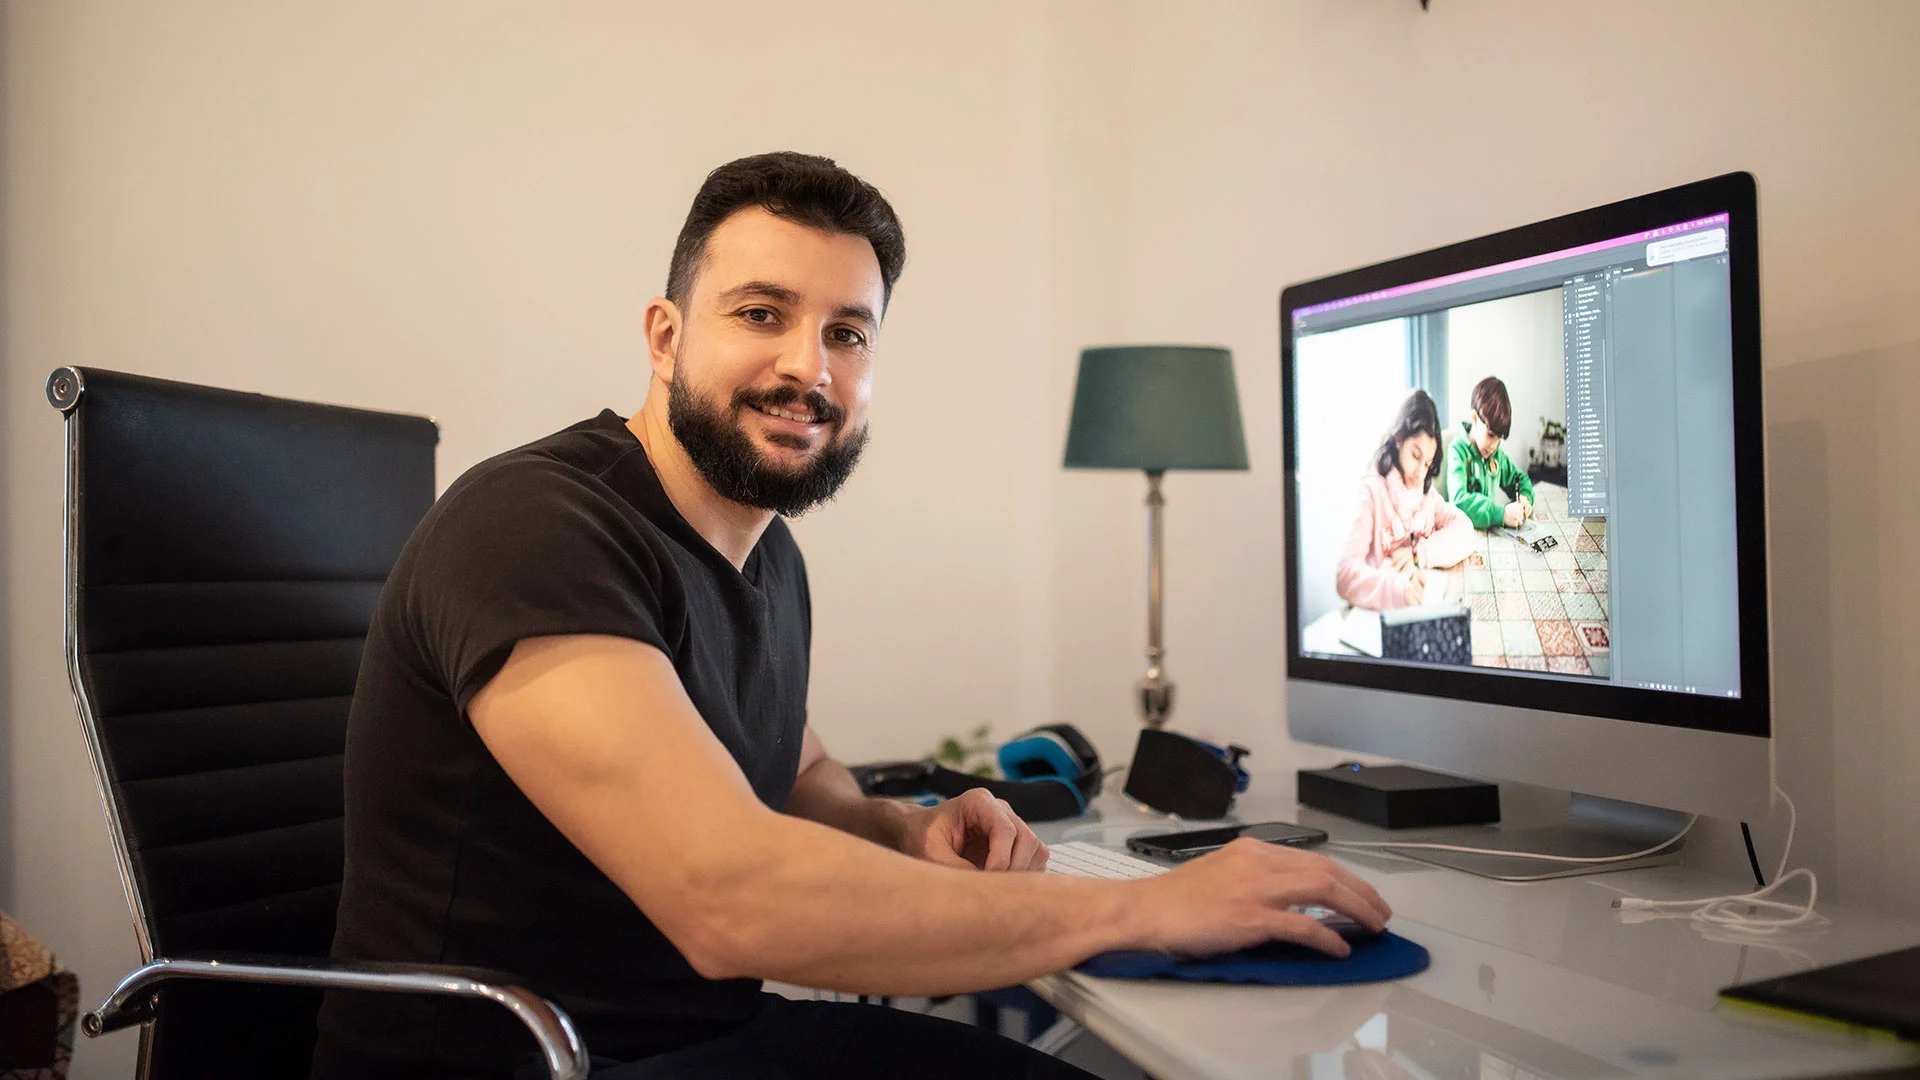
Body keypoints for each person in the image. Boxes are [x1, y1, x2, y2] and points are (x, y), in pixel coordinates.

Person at [312, 152, 1392, 1080]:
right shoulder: (536, 526)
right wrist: (1149, 907)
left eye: (848, 333)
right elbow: (729, 899)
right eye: (761, 314)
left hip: (698, 1043)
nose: (807, 367)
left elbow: (788, 769)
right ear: (663, 334)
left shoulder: (764, 552)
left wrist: (903, 828)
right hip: (529, 1062)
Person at [1335, 389, 1474, 611]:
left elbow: (1466, 531)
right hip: (1381, 614)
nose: (1420, 473)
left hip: (1421, 607)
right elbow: (1344, 575)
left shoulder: (1426, 494)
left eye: (1427, 463)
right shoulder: (1372, 492)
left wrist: (1419, 554)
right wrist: (1395, 589)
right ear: (1399, 440)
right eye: (1415, 456)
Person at [1446, 375, 1536, 530]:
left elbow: (1519, 478)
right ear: (1475, 417)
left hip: (1489, 537)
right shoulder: (1458, 450)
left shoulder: (1495, 455)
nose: (1494, 445)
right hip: (1463, 537)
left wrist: (1525, 497)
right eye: (1491, 435)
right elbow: (1459, 501)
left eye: (1499, 438)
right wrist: (1500, 514)